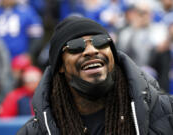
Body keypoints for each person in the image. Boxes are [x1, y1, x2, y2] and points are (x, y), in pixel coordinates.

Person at [17, 16, 173, 135]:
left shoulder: (167, 112)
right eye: (75, 46)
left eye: (100, 41)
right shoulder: (34, 132)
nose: (91, 50)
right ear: (60, 66)